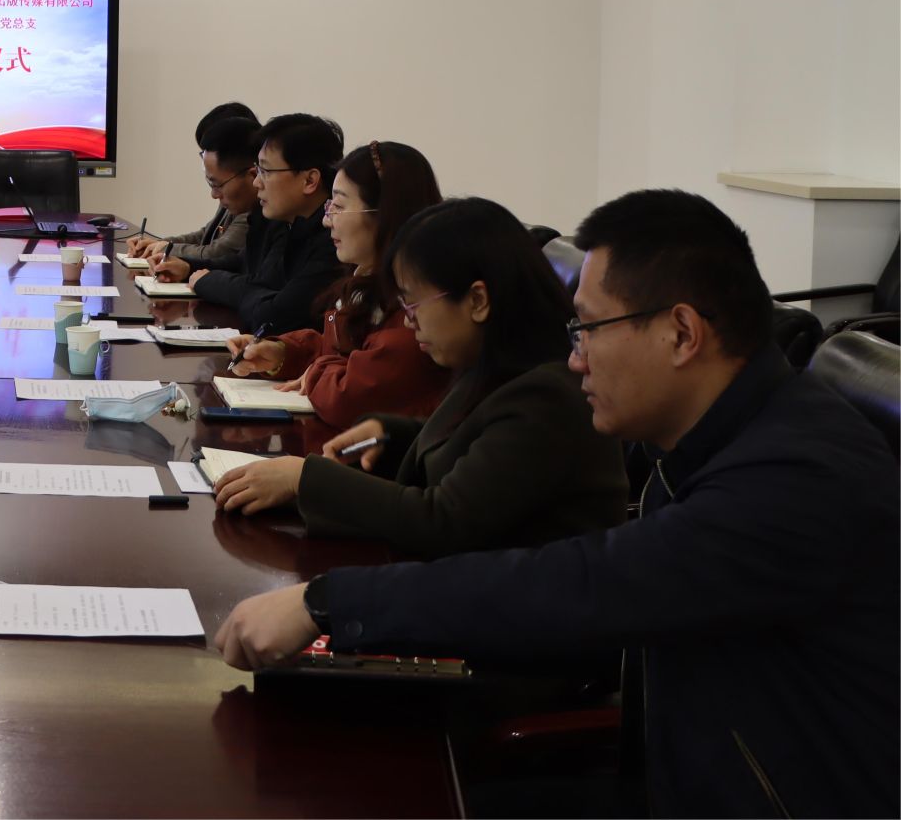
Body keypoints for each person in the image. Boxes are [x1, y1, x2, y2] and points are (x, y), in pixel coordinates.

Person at [216, 190, 899, 819]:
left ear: (682, 333)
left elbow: (586, 580)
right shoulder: (719, 432)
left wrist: (328, 602)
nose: (575, 359)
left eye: (591, 329)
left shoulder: (797, 478)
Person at [213, 195, 627, 556]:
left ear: (477, 300)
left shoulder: (546, 398)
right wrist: (390, 436)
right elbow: (475, 450)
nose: (409, 322)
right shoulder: (492, 366)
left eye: (412, 303)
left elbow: (443, 521)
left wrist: (305, 480)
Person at [220, 141, 453, 434]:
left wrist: (316, 371)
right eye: (329, 206)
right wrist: (282, 353)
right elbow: (340, 350)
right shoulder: (362, 282)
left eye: (338, 207)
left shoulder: (415, 310)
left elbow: (350, 395)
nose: (327, 220)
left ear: (384, 215)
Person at [157, 112, 345, 333]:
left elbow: (272, 315)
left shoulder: (332, 240)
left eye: (265, 171)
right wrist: (189, 268)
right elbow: (245, 268)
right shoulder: (289, 222)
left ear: (310, 180)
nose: (256, 182)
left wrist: (208, 281)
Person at [126, 103, 259, 266]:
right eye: (204, 151)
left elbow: (218, 253)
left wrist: (166, 249)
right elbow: (207, 235)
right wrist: (160, 244)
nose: (214, 195)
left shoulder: (254, 206)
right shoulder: (232, 190)